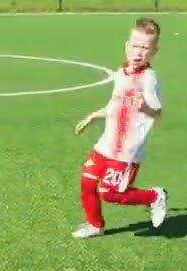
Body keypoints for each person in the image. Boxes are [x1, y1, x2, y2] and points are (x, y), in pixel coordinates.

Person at [71, 18, 169, 239]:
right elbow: (115, 105)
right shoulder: (122, 74)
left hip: (128, 150)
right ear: (127, 46)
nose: (138, 52)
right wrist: (94, 116)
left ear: (154, 51)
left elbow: (157, 112)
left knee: (110, 193)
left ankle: (154, 197)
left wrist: (144, 106)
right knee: (87, 182)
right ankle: (95, 224)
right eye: (135, 45)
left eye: (145, 48)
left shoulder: (148, 79)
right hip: (107, 143)